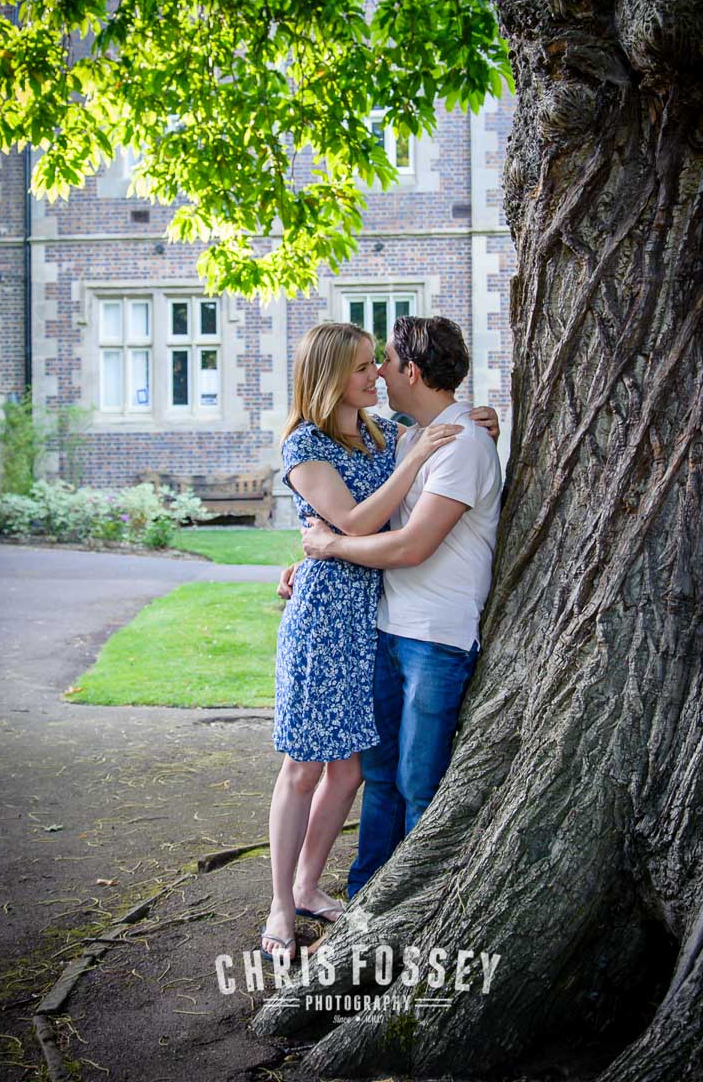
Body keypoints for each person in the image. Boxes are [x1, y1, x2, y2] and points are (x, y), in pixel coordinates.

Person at [261, 321, 471, 962]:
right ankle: (277, 907)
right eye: (361, 367)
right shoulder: (306, 445)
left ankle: (307, 885)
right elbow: (354, 520)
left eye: (376, 364)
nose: (376, 374)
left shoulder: (379, 431)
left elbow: (439, 428)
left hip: (370, 621)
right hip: (324, 622)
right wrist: (412, 459)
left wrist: (475, 417)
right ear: (329, 378)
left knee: (349, 770)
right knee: (302, 770)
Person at [300, 315, 503, 899]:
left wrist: (332, 546)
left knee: (419, 784)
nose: (379, 373)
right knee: (381, 776)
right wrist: (310, 560)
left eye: (383, 361)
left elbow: (414, 545)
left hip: (435, 639)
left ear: (410, 370)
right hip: (388, 627)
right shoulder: (412, 435)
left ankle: (415, 907)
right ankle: (368, 898)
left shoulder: (461, 443)